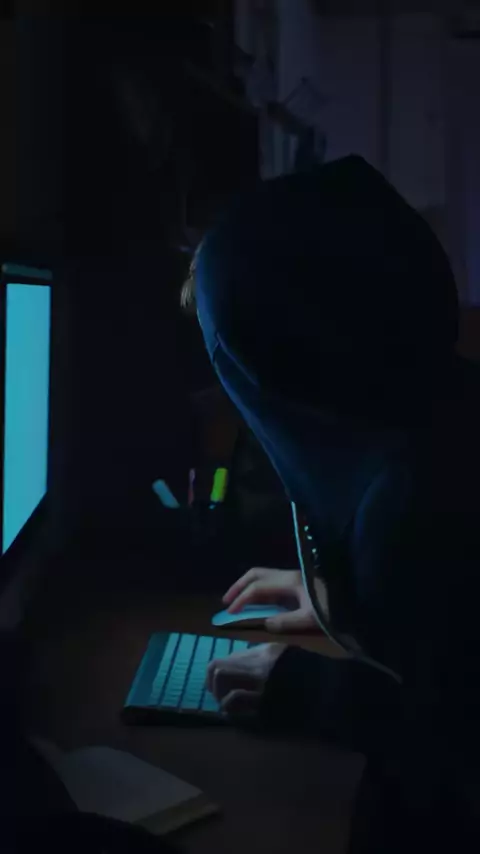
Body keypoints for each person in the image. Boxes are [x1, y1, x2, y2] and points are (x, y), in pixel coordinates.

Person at [183, 156, 480, 852]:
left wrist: (314, 693)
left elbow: (460, 741)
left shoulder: (407, 508)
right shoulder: (451, 411)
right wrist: (332, 592)